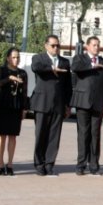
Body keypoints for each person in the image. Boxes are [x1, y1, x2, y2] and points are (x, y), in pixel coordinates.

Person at [31, 35, 72, 176]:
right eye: (53, 45)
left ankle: (49, 163)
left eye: (58, 46)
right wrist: (52, 69)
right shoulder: (39, 58)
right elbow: (36, 67)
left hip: (58, 104)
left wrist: (68, 104)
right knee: (41, 134)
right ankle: (39, 163)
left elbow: (68, 85)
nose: (56, 48)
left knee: (54, 136)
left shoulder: (65, 62)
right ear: (46, 45)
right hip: (42, 103)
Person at [70, 36, 103, 175]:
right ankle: (81, 164)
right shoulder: (80, 59)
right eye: (94, 45)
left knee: (95, 134)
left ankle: (94, 164)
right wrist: (92, 66)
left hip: (98, 103)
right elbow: (75, 68)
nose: (96, 47)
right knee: (83, 134)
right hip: (83, 102)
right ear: (87, 46)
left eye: (98, 45)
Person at [0, 47, 28, 176]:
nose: (16, 59)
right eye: (13, 57)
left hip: (16, 106)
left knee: (13, 136)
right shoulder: (2, 70)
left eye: (18, 57)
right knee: (2, 135)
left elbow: (24, 92)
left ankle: (10, 163)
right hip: (3, 104)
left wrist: (24, 108)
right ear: (8, 58)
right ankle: (0, 162)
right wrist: (9, 78)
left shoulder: (23, 73)